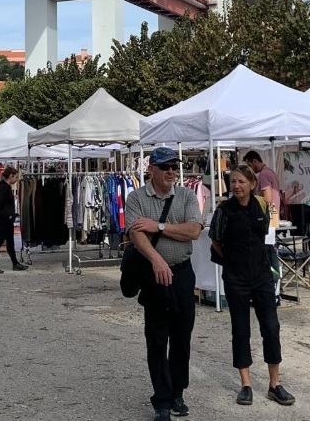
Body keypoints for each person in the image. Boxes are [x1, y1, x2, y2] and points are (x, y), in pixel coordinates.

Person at [125, 147, 203, 421]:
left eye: (174, 166)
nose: (171, 171)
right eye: (166, 166)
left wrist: (157, 226)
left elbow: (193, 230)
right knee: (157, 339)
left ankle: (177, 392)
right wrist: (157, 260)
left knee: (182, 338)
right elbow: (136, 235)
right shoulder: (136, 198)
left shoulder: (186, 195)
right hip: (154, 276)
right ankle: (161, 401)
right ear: (152, 169)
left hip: (182, 274)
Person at [209, 165, 294, 407]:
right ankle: (246, 385)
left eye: (241, 182)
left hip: (261, 277)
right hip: (236, 278)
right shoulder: (224, 210)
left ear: (252, 184)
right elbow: (215, 239)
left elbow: (267, 236)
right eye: (233, 181)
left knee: (271, 327)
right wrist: (231, 261)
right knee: (241, 330)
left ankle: (274, 384)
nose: (236, 186)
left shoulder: (262, 205)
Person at [0, 166, 28, 273]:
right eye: (15, 177)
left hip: (6, 217)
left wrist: (12, 214)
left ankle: (15, 263)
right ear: (10, 176)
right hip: (4, 218)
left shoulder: (5, 186)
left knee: (10, 242)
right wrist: (4, 213)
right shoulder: (3, 187)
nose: (16, 180)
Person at [243, 151, 281, 215]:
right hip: (274, 212)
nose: (249, 168)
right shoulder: (270, 171)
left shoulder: (264, 174)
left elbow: (267, 198)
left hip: (269, 213)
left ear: (255, 161)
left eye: (249, 165)